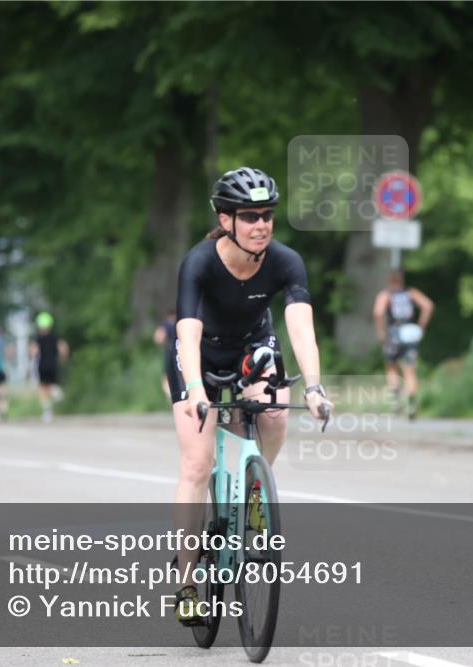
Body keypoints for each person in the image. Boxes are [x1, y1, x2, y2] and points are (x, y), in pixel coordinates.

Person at [170, 166, 332, 625]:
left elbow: (301, 328)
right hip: (199, 355)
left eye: (267, 215)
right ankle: (186, 583)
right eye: (249, 216)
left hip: (251, 348)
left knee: (275, 414)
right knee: (197, 464)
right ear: (226, 220)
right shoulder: (199, 263)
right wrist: (196, 391)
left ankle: (255, 489)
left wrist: (314, 387)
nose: (261, 224)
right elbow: (187, 334)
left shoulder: (286, 261)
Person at [373, 269, 434, 420]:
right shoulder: (410, 292)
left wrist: (381, 333)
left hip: (393, 335)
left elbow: (378, 313)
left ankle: (396, 403)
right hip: (409, 334)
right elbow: (428, 305)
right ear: (402, 280)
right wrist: (421, 327)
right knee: (410, 371)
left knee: (392, 368)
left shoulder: (386, 295)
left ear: (389, 280)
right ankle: (412, 405)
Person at [29, 312, 69, 422]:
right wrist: (62, 358)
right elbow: (63, 349)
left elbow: (33, 352)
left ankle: (47, 412)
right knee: (51, 384)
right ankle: (56, 391)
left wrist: (32, 358)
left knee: (43, 387)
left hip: (42, 365)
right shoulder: (55, 338)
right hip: (53, 364)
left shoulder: (38, 339)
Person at [153, 309, 177, 399]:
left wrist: (164, 342)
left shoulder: (165, 324)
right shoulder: (180, 322)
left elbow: (158, 338)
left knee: (166, 374)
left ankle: (169, 394)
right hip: (180, 350)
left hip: (169, 350)